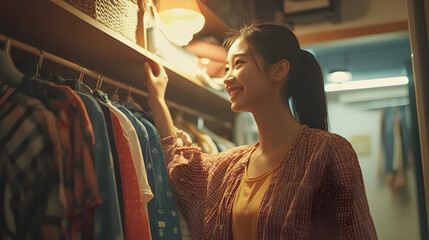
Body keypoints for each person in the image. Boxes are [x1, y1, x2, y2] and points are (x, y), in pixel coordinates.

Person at [143, 22, 377, 239]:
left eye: (239, 63)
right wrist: (158, 101)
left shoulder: (327, 151)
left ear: (279, 70)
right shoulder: (232, 165)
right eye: (226, 67)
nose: (227, 77)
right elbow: (180, 166)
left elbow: (356, 233)